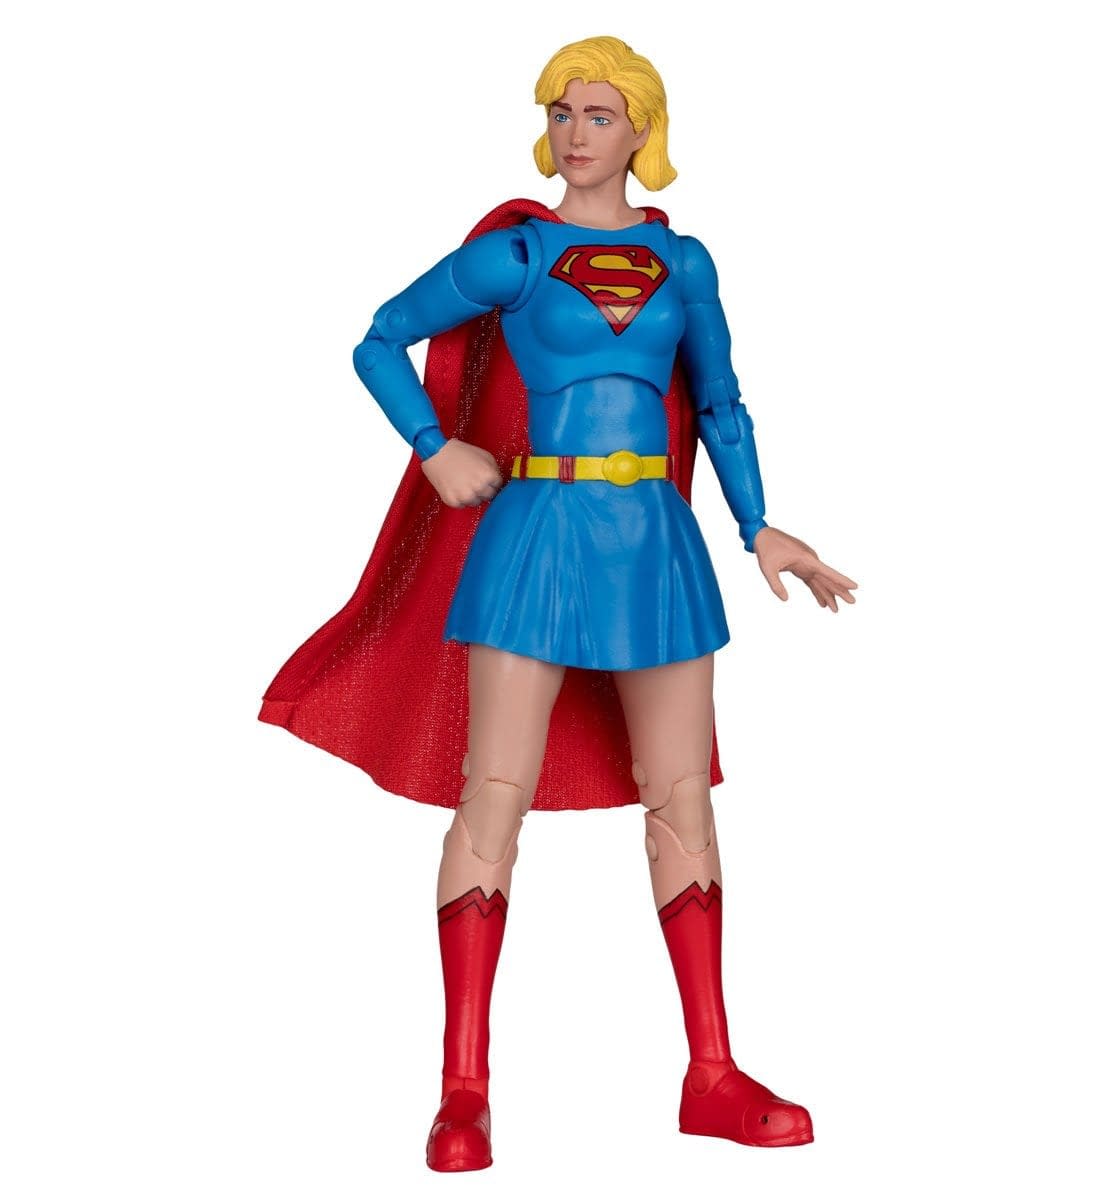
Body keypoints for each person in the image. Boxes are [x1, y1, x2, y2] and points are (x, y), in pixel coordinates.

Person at [260, 35, 857, 1172]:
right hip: (535, 531)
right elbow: (379, 338)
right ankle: (464, 1087)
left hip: (653, 542)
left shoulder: (684, 265)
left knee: (681, 799)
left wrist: (758, 524)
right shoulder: (520, 256)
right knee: (493, 794)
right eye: (562, 112)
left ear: (642, 131)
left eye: (600, 114)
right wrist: (435, 446)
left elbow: (721, 403)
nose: (577, 132)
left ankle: (712, 1071)